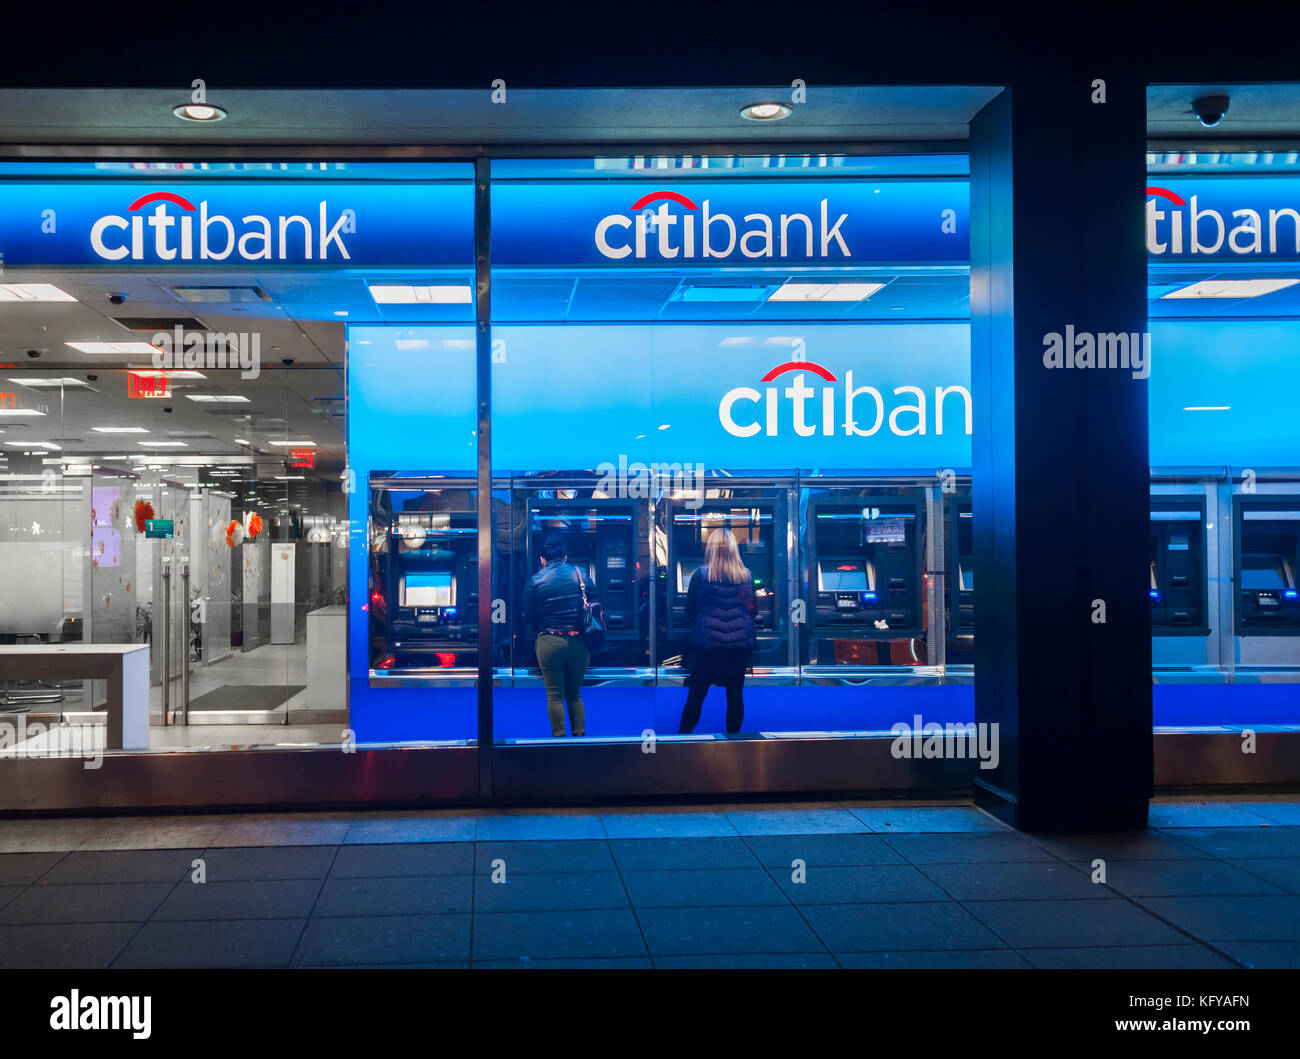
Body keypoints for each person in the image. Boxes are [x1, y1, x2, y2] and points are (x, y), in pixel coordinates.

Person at [679, 528, 757, 735]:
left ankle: (680, 742)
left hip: (707, 646)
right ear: (734, 549)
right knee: (735, 697)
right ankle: (733, 744)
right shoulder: (746, 576)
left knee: (696, 696)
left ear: (711, 549)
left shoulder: (701, 575)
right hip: (737, 648)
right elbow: (753, 610)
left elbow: (690, 610)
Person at [522, 534, 589, 738]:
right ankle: (580, 738)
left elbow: (529, 614)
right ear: (565, 557)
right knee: (575, 694)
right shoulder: (581, 574)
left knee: (554, 696)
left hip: (549, 641)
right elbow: (594, 603)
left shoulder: (535, 580)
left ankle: (559, 739)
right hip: (579, 641)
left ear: (543, 559)